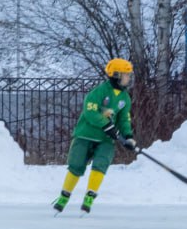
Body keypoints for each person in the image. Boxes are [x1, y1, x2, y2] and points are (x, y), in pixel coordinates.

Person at [53, 58, 138, 214]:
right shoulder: (99, 92)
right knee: (76, 166)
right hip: (85, 135)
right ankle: (64, 196)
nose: (129, 78)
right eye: (126, 75)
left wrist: (128, 136)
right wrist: (106, 125)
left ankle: (89, 196)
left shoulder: (125, 98)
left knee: (101, 164)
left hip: (106, 140)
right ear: (116, 75)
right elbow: (90, 111)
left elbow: (124, 118)